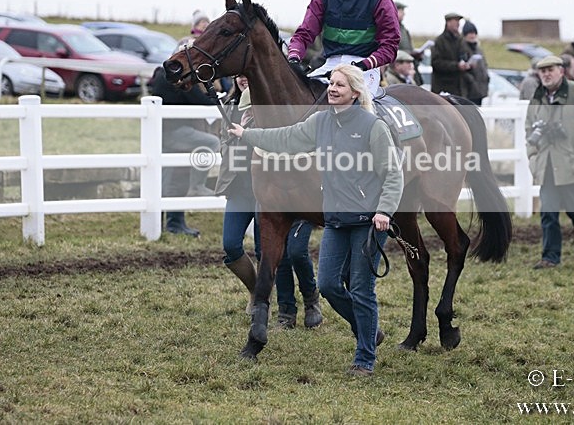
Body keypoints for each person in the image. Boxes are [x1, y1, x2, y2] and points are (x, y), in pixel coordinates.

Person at [229, 64, 403, 376]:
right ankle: (369, 329)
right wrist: (249, 134)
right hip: (336, 220)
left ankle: (364, 358)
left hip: (367, 221)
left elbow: (392, 173)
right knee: (328, 285)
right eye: (331, 84)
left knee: (362, 290)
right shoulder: (320, 122)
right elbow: (286, 138)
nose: (332, 89)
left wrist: (385, 211)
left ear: (354, 93)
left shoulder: (372, 127)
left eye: (340, 85)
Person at [216, 76, 323, 328]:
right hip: (241, 186)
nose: (244, 78)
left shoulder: (278, 110)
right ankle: (258, 292)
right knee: (231, 245)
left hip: (272, 187)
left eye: (247, 73)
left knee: (277, 251)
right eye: (239, 74)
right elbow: (224, 144)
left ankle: (298, 305)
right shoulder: (232, 106)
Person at [525, 55, 574, 269]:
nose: (546, 74)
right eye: (542, 71)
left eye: (550, 69)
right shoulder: (538, 97)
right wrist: (533, 154)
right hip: (546, 164)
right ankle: (550, 258)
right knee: (548, 213)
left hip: (571, 164)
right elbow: (529, 128)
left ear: (562, 71)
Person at [151, 66, 220, 236]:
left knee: (167, 180)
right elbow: (204, 103)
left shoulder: (163, 74)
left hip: (161, 132)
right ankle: (197, 186)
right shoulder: (180, 78)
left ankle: (167, 225)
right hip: (174, 132)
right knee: (211, 142)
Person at [431, 12, 467, 97]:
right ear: (448, 23)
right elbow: (436, 63)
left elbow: (464, 55)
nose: (458, 24)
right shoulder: (440, 41)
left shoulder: (461, 40)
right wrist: (456, 66)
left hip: (458, 88)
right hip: (443, 88)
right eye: (455, 21)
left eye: (458, 21)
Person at [395, 1, 424, 85]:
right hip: (399, 69)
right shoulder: (391, 28)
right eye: (401, 10)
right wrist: (410, 53)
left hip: (409, 68)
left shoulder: (404, 30)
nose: (404, 13)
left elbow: (409, 47)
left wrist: (417, 55)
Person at [461, 21, 490, 104]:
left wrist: (487, 77)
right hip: (469, 91)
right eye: (470, 33)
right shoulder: (462, 48)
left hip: (481, 89)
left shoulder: (478, 49)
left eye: (474, 33)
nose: (472, 35)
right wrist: (471, 81)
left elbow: (484, 65)